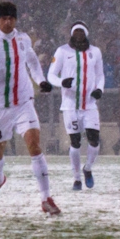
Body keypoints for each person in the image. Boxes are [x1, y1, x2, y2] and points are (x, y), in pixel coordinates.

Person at [0, 1, 61, 215]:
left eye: (11, 18)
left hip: (24, 103)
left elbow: (33, 62)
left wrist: (40, 81)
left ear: (16, 20)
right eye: (4, 18)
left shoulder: (24, 40)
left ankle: (46, 198)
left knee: (34, 146)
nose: (8, 22)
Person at [47, 22, 105, 190]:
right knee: (75, 142)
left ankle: (87, 168)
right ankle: (77, 178)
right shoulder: (62, 51)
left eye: (81, 31)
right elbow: (51, 75)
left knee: (94, 140)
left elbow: (100, 75)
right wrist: (61, 82)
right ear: (72, 34)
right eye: (76, 31)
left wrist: (99, 89)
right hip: (70, 105)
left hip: (89, 104)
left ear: (86, 33)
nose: (78, 34)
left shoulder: (95, 52)